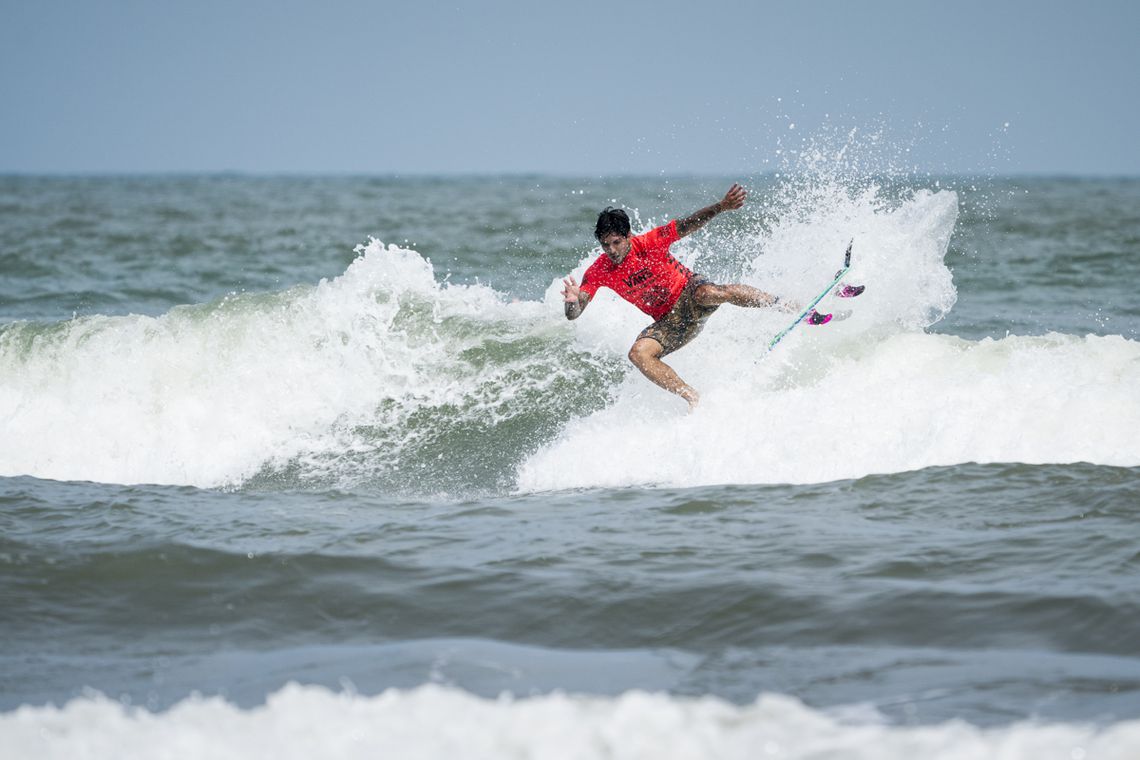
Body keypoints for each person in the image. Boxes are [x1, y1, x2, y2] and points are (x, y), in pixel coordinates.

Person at [561, 183, 801, 411]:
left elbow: (689, 223)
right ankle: (692, 397)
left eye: (616, 242)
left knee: (710, 292)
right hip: (671, 323)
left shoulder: (650, 242)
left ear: (629, 236)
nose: (611, 251)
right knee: (637, 353)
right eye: (605, 245)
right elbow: (575, 313)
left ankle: (782, 304)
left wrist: (721, 206)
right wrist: (572, 303)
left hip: (690, 293)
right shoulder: (600, 270)